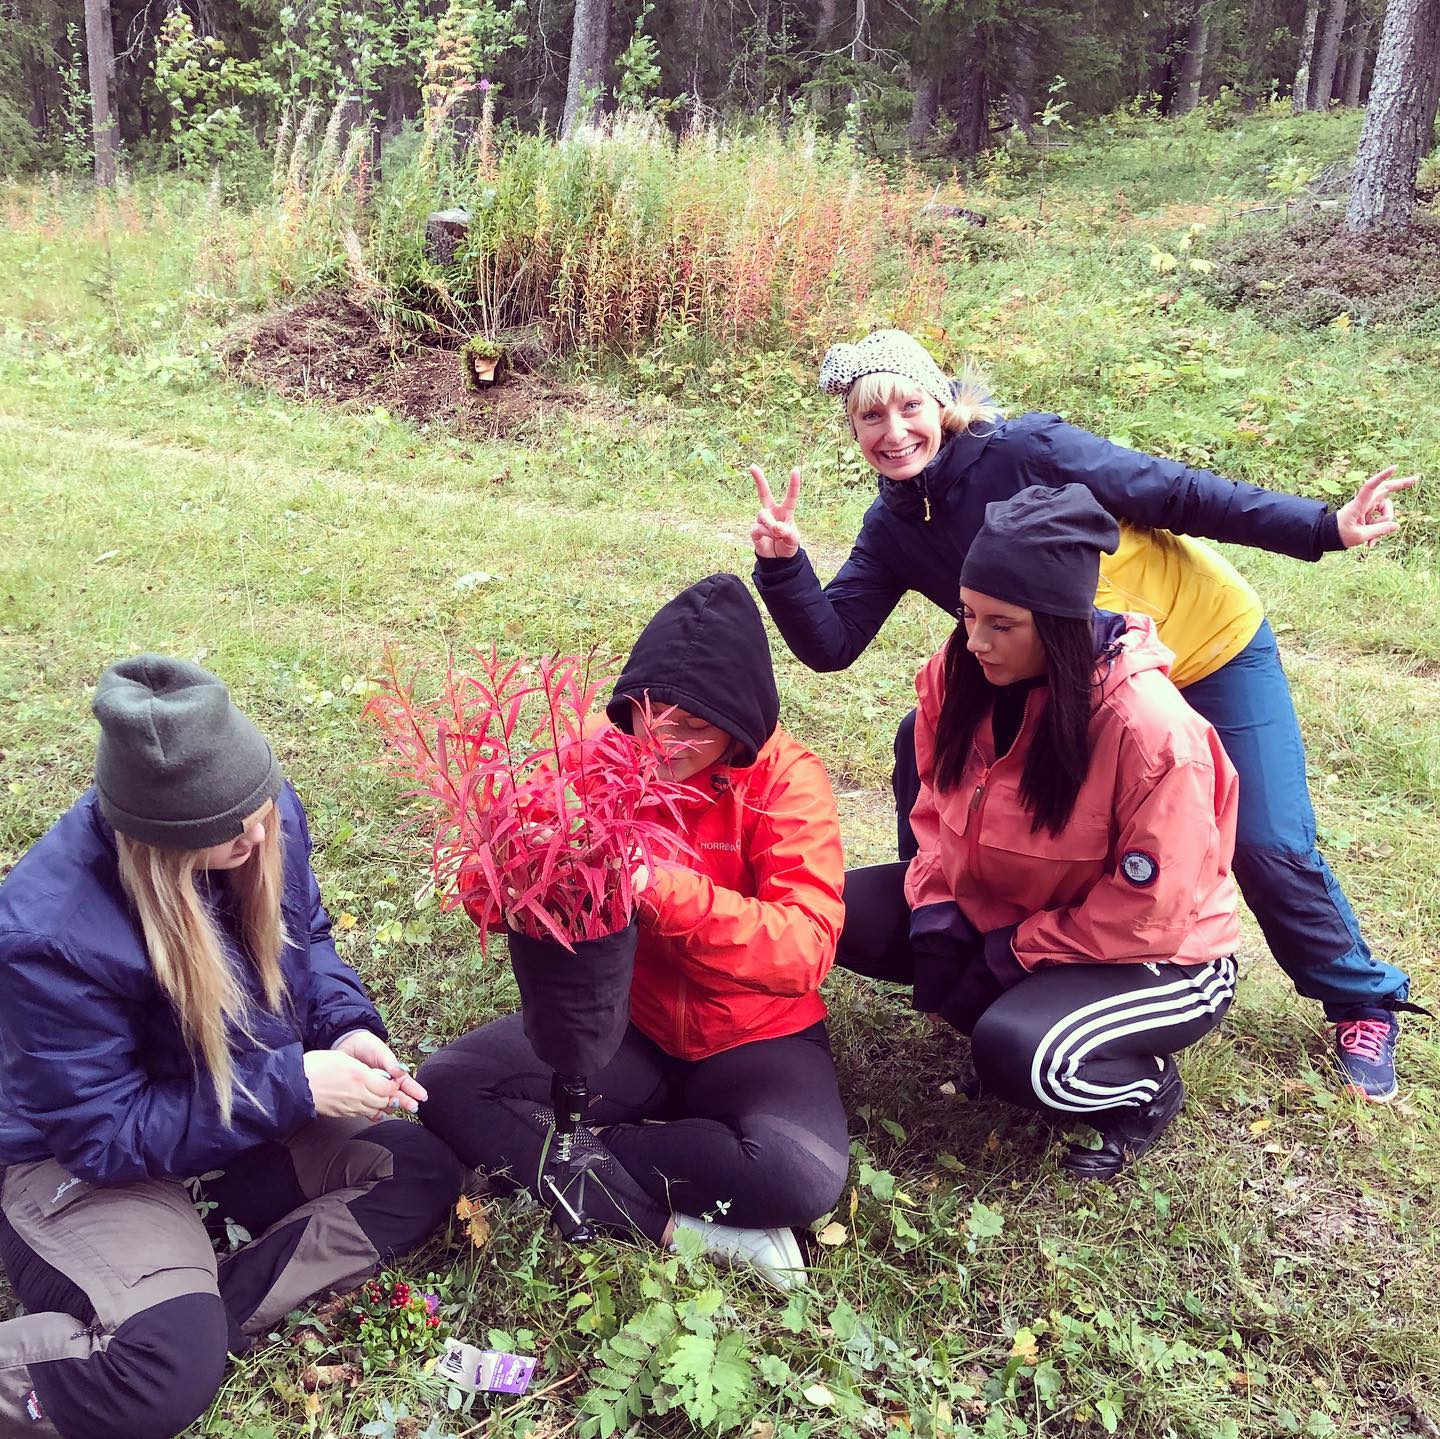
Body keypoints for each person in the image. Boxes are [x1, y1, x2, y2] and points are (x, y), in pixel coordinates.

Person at [750, 328, 1423, 1101]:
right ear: (854, 431)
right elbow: (833, 642)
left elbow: (1176, 492)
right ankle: (954, 929)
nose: (894, 431)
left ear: (942, 401)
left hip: (1206, 650)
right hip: (1081, 684)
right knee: (924, 744)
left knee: (1265, 840)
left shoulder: (1031, 449)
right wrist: (783, 564)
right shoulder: (897, 526)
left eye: (909, 406)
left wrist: (1320, 527)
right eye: (871, 418)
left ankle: (1361, 999)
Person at [0, 656, 462, 1439]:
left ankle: (186, 1307)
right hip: (73, 1161)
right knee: (154, 1376)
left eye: (262, 811)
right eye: (233, 834)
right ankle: (168, 1326)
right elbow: (102, 1132)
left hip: (221, 1115)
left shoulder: (259, 809)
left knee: (414, 1168)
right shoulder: (50, 931)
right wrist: (291, 1087)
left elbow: (306, 940)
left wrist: (347, 1029)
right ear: (161, 845)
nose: (260, 833)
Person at [418, 574, 849, 1291]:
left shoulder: (786, 781)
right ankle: (667, 1226)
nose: (661, 742)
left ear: (740, 726)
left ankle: (573, 1153)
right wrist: (509, 867)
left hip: (755, 1036)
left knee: (798, 1175)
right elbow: (489, 893)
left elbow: (806, 945)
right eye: (650, 716)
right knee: (448, 1088)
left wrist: (660, 889)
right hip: (624, 1021)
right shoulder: (596, 753)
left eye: (692, 728)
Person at [839, 484, 1241, 1178]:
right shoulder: (959, 672)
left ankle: (1144, 1091)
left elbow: (1152, 910)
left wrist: (1013, 953)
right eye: (967, 614)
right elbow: (935, 805)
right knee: (829, 912)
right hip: (1018, 909)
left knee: (1024, 1057)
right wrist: (936, 907)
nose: (974, 640)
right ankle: (1012, 996)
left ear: (1057, 623)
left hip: (1161, 953)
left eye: (1002, 623)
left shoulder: (1149, 730)